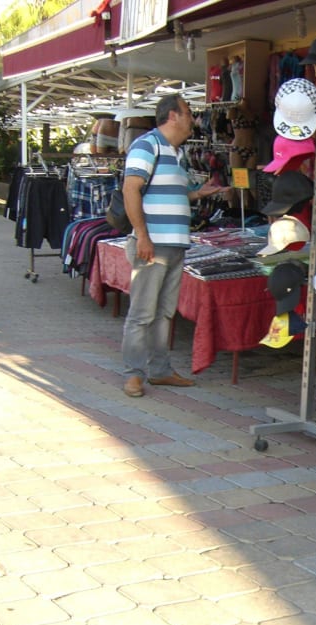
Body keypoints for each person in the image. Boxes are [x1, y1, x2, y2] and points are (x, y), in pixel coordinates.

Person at [121, 94, 226, 398]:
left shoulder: (174, 153)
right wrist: (142, 235)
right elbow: (131, 189)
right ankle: (134, 374)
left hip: (174, 244)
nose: (193, 118)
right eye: (189, 112)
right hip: (154, 244)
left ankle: (160, 370)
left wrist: (197, 194)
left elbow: (167, 194)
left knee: (164, 312)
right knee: (143, 313)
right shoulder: (147, 145)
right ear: (173, 116)